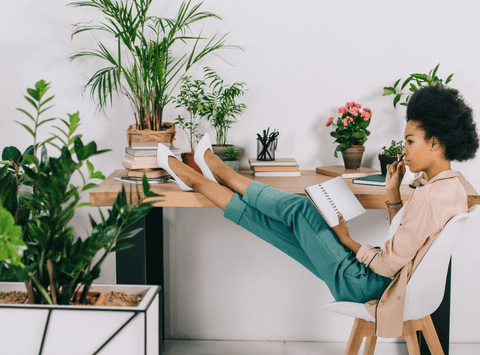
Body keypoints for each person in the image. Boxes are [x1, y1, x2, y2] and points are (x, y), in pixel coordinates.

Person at [157, 84, 479, 337]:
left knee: (302, 210)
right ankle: (198, 180)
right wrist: (393, 195)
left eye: (410, 142)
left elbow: (387, 263)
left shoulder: (428, 197)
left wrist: (347, 239)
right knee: (282, 229)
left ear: (435, 143)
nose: (403, 150)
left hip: (368, 284)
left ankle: (225, 174)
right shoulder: (454, 188)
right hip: (385, 282)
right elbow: (405, 247)